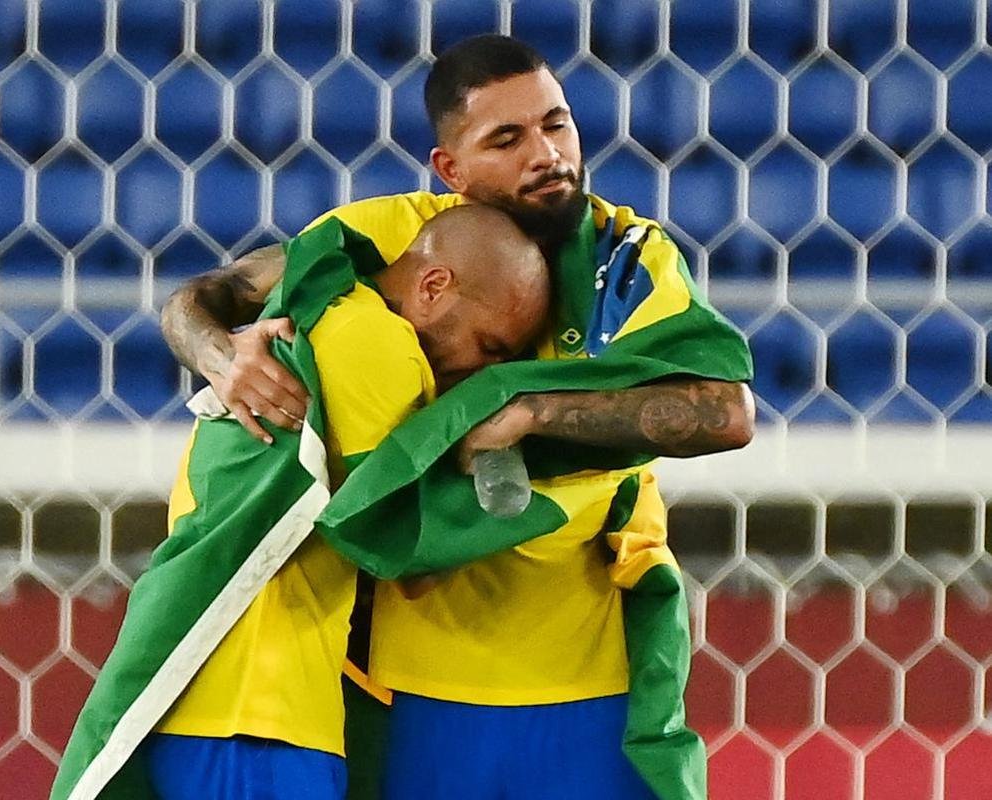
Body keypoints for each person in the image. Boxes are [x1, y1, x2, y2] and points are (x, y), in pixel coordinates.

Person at [158, 34, 755, 800]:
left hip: (587, 659)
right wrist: (216, 355)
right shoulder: (393, 236)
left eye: (556, 124)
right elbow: (203, 296)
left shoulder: (627, 260)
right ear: (451, 170)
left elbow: (724, 413)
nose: (546, 154)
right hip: (410, 672)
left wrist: (531, 408)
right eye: (507, 139)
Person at [52, 205, 550, 800]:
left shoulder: (310, 312)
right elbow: (402, 548)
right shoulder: (377, 344)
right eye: (489, 346)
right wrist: (586, 476)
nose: (483, 371)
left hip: (210, 703)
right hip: (255, 716)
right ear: (433, 285)